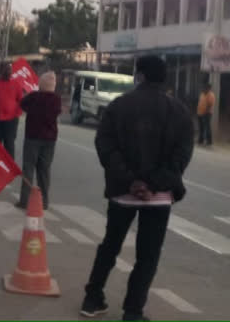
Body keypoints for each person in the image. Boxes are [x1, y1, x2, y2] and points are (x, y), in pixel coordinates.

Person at [80, 56, 194, 321]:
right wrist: (154, 183)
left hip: (123, 193)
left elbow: (105, 146)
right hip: (160, 197)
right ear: (163, 78)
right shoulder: (179, 113)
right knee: (148, 256)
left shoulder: (119, 106)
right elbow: (181, 156)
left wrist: (131, 181)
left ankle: (93, 297)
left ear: (139, 75)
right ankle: (133, 311)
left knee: (110, 246)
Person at [16, 71, 62, 210]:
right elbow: (58, 112)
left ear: (41, 84)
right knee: (44, 170)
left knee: (28, 169)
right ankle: (44, 201)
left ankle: (24, 200)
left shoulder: (34, 96)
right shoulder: (57, 99)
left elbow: (22, 104)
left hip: (33, 137)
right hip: (50, 139)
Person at [0, 61, 22, 158]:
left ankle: (10, 170)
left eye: (10, 69)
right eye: (6, 69)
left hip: (11, 120)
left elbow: (20, 101)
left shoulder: (16, 83)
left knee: (9, 145)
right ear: (1, 70)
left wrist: (16, 115)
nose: (9, 71)